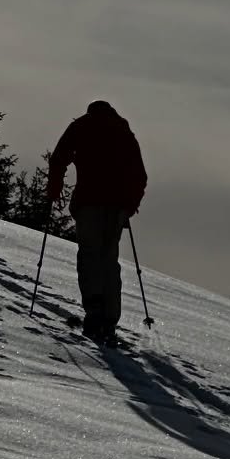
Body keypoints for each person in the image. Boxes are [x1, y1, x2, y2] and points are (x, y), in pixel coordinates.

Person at [47, 100, 147, 346]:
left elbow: (59, 157)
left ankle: (94, 313)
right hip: (116, 207)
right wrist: (129, 206)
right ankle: (109, 319)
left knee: (90, 255)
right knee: (108, 259)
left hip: (88, 203)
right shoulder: (122, 131)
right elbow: (139, 174)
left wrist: (54, 188)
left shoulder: (82, 126)